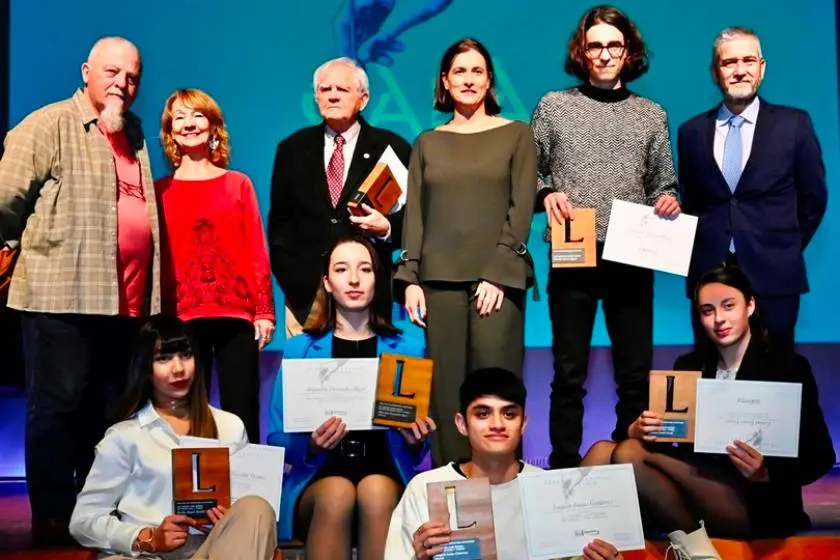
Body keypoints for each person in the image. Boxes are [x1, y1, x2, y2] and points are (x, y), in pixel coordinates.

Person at [0, 36, 162, 544]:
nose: (123, 84)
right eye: (113, 72)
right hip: (61, 297)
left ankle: (93, 515)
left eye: (133, 76)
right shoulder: (47, 124)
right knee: (57, 406)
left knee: (108, 412)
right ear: (87, 71)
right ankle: (52, 516)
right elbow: (5, 200)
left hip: (123, 302)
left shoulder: (132, 132)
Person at [595, 264, 835, 558]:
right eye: (707, 310)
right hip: (699, 488)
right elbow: (670, 441)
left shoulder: (787, 367)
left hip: (760, 502)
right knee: (603, 451)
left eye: (728, 306)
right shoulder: (690, 365)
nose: (719, 319)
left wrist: (766, 472)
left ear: (750, 305)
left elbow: (822, 456)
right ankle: (577, 545)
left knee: (630, 453)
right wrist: (641, 428)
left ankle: (697, 554)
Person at [531, 5, 680, 469]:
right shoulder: (554, 106)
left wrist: (669, 200)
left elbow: (664, 182)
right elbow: (530, 174)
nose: (604, 54)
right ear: (582, 51)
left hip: (630, 251)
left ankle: (627, 470)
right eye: (595, 45)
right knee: (569, 373)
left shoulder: (651, 114)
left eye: (613, 45)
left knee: (634, 375)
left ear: (628, 51)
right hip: (573, 248)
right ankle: (562, 471)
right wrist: (547, 193)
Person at [395, 37, 537, 467]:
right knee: (447, 395)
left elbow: (522, 208)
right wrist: (410, 278)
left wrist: (497, 271)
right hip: (439, 283)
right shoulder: (427, 142)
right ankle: (453, 501)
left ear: (490, 80)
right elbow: (415, 216)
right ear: (445, 80)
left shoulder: (516, 134)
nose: (469, 79)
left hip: (498, 281)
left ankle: (506, 494)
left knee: (497, 395)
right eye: (460, 71)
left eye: (477, 71)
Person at [267, 236, 435, 560]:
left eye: (365, 269)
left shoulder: (409, 347)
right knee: (338, 492)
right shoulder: (299, 349)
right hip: (318, 479)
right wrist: (311, 445)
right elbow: (275, 438)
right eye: (342, 270)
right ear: (327, 283)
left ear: (377, 279)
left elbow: (416, 451)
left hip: (387, 474)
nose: (354, 279)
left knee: (375, 489)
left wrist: (417, 440)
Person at [69, 316, 279, 559]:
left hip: (213, 552)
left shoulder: (229, 426)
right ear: (145, 368)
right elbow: (83, 521)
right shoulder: (125, 436)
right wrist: (146, 537)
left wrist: (231, 516)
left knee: (255, 507)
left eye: (186, 355)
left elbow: (248, 510)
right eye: (164, 358)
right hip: (150, 556)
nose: (178, 368)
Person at [678, 27, 827, 352]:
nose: (740, 70)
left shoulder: (794, 124)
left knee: (776, 378)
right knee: (712, 378)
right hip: (710, 275)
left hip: (775, 275)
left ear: (762, 67)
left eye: (748, 60)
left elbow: (814, 199)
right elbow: (690, 201)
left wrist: (782, 245)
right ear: (715, 72)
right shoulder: (690, 132)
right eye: (729, 62)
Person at [384, 368, 624, 560]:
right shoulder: (425, 487)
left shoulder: (552, 490)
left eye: (509, 414)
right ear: (461, 423)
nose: (497, 424)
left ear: (524, 423)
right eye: (482, 414)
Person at [156, 88, 275, 443]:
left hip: (234, 314)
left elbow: (256, 247)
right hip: (180, 315)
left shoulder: (238, 184)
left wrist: (265, 311)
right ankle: (193, 496)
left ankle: (250, 492)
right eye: (180, 117)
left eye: (197, 115)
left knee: (242, 409)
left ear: (213, 127)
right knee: (185, 411)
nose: (189, 124)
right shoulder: (158, 190)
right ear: (170, 131)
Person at [268, 57, 411, 338]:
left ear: (364, 98)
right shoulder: (291, 150)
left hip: (371, 297)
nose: (332, 95)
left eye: (342, 89)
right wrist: (296, 285)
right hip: (306, 300)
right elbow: (280, 226)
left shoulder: (392, 148)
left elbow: (415, 221)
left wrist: (387, 228)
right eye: (325, 89)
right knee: (309, 380)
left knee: (370, 380)